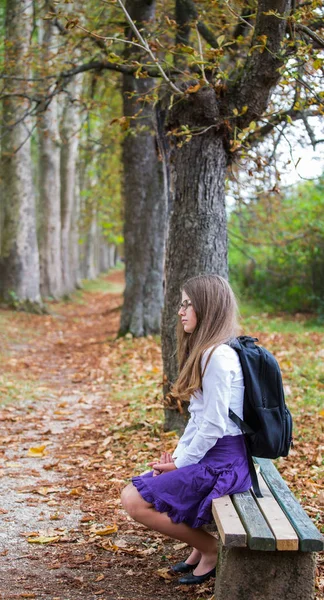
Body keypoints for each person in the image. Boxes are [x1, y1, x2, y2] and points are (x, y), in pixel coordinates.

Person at [121, 274, 251, 585]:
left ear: (207, 308)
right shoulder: (208, 351)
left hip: (224, 463)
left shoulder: (217, 357)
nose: (181, 312)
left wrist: (182, 463)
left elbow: (214, 425)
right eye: (181, 304)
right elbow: (197, 417)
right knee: (145, 487)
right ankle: (199, 546)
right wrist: (178, 458)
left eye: (188, 305)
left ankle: (210, 548)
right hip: (216, 456)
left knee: (134, 500)